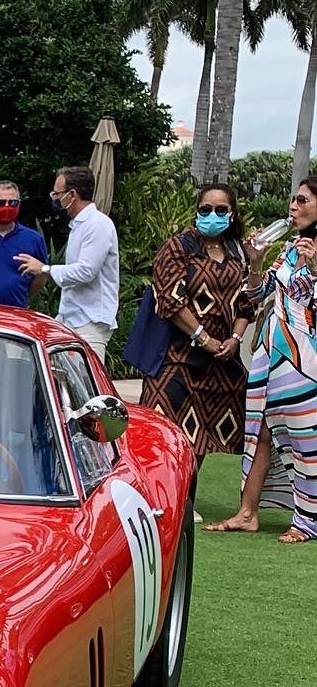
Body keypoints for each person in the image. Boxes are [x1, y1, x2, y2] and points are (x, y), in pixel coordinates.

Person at [207, 178, 317, 543]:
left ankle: (307, 521)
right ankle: (247, 512)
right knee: (260, 433)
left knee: (304, 438)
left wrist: (315, 270)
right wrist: (255, 263)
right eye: (293, 199)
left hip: (306, 358)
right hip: (271, 352)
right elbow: (256, 293)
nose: (294, 206)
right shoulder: (289, 249)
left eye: (302, 200)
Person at [140, 183, 254, 480]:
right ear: (197, 211)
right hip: (174, 356)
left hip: (219, 360)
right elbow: (169, 301)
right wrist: (203, 338)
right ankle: (157, 492)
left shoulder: (237, 252)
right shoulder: (179, 247)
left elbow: (246, 303)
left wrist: (235, 339)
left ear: (232, 214)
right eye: (206, 209)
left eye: (220, 210)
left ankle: (186, 496)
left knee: (201, 430)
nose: (212, 215)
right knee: (163, 430)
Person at [14, 164, 119, 360]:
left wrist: (44, 268)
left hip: (90, 322)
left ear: (72, 194)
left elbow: (86, 272)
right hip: (73, 319)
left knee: (86, 387)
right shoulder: (80, 225)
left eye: (57, 194)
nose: (54, 199)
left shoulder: (98, 224)